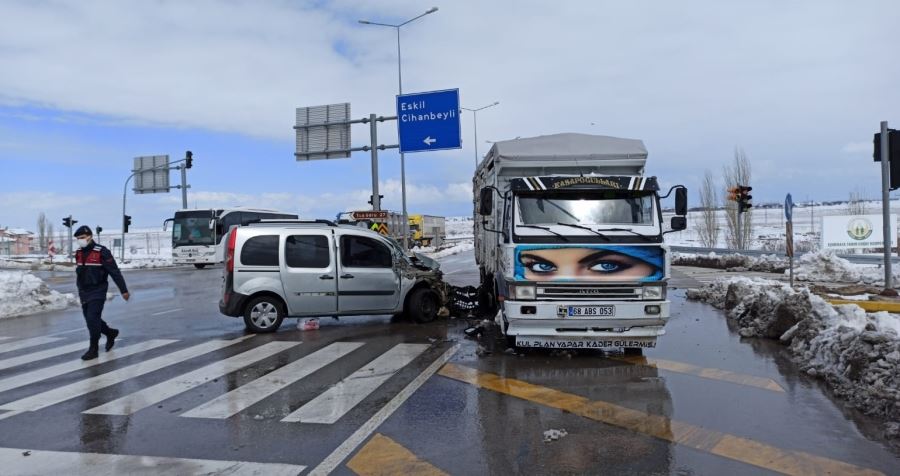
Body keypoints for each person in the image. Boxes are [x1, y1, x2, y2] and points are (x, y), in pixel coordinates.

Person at [74, 225, 129, 360]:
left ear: (90, 236)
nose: (80, 240)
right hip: (84, 292)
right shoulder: (79, 253)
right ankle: (110, 333)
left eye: (82, 238)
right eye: (78, 238)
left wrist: (123, 290)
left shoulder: (102, 252)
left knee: (92, 318)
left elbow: (114, 272)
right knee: (90, 320)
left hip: (98, 290)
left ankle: (93, 349)